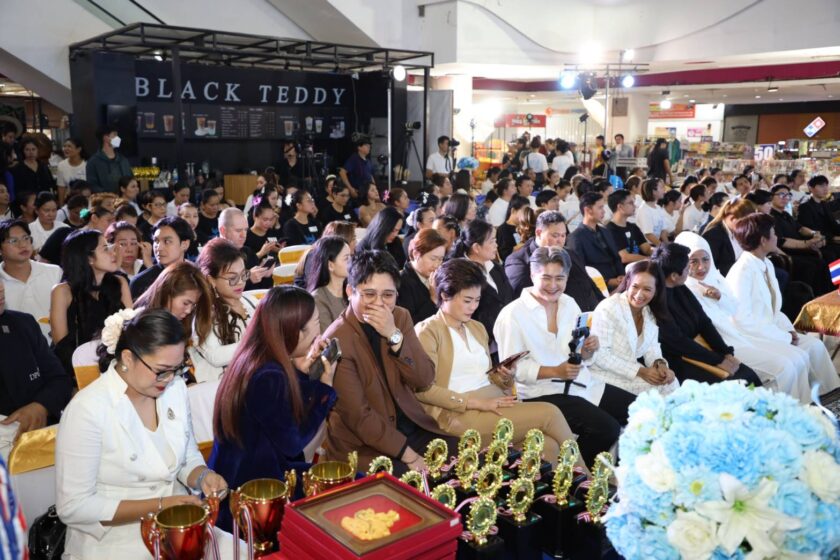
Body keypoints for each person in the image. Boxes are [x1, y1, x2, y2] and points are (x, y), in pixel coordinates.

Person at [55, 308, 229, 558]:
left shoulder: (174, 389)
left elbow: (186, 457)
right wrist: (159, 506)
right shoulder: (88, 409)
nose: (169, 378)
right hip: (116, 540)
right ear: (128, 358)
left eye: (177, 369)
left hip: (178, 526)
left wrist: (203, 476)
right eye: (161, 370)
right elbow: (74, 506)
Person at [415, 258, 577, 463]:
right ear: (445, 295)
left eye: (477, 300)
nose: (473, 307)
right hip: (457, 414)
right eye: (467, 300)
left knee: (548, 445)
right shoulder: (427, 331)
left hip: (492, 402)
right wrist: (475, 403)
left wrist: (506, 377)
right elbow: (423, 390)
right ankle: (592, 480)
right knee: (550, 413)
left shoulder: (476, 328)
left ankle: (571, 483)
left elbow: (491, 380)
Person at [494, 247, 636, 467]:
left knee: (636, 409)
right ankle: (574, 476)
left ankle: (616, 471)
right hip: (541, 392)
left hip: (580, 383)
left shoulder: (569, 303)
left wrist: (588, 349)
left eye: (559, 278)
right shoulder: (512, 315)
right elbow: (513, 369)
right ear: (532, 275)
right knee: (606, 429)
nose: (553, 285)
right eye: (546, 278)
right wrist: (555, 371)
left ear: (567, 277)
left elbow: (578, 352)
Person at [211, 286, 337, 529]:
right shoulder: (268, 376)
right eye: (316, 322)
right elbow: (293, 443)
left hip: (252, 474)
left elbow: (279, 413)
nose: (319, 330)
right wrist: (324, 389)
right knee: (346, 489)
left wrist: (301, 372)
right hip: (253, 492)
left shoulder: (258, 358)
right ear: (295, 331)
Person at [323, 250, 458, 475]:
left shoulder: (400, 317)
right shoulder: (337, 340)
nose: (379, 304)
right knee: (415, 484)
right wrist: (410, 456)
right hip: (364, 445)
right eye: (369, 294)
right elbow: (360, 417)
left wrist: (394, 336)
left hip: (411, 427)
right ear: (350, 292)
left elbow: (424, 378)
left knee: (466, 458)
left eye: (387, 295)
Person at [674, 232, 811, 403]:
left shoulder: (715, 278)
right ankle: (780, 409)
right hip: (724, 344)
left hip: (740, 335)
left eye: (705, 259)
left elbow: (734, 308)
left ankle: (803, 406)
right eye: (693, 261)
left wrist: (720, 297)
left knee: (798, 357)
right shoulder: (684, 290)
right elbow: (707, 326)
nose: (701, 267)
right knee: (785, 365)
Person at [726, 213, 840, 396]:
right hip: (752, 337)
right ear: (763, 240)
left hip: (771, 331)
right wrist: (783, 336)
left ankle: (830, 396)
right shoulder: (741, 272)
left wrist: (789, 330)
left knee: (815, 346)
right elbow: (743, 321)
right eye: (774, 233)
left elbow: (774, 310)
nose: (777, 237)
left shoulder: (766, 264)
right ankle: (800, 404)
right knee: (797, 357)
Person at [650, 242, 763, 386]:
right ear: (673, 276)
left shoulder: (680, 287)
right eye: (687, 268)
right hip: (677, 358)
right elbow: (678, 341)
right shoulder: (657, 300)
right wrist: (718, 360)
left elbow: (704, 322)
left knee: (748, 375)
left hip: (698, 349)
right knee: (735, 384)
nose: (689, 271)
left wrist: (725, 352)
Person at [0, 277, 71, 456]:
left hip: (41, 440)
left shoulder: (23, 323)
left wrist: (40, 406)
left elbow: (59, 379)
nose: (1, 289)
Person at [589, 260, 680, 396]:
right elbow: (600, 355)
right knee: (663, 389)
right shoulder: (608, 308)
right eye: (635, 287)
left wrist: (660, 365)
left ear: (656, 291)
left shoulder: (648, 311)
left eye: (647, 289)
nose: (639, 295)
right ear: (627, 283)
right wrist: (641, 371)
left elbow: (651, 348)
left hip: (631, 371)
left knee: (670, 382)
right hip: (603, 374)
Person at [50, 229, 133, 375]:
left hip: (117, 365)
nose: (113, 253)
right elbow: (62, 346)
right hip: (76, 370)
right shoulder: (62, 291)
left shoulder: (119, 283)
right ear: (89, 258)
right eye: (105, 249)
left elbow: (131, 326)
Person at [505, 210, 603, 311]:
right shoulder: (518, 261)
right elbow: (525, 301)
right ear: (539, 233)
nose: (560, 241)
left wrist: (603, 306)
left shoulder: (569, 253)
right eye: (555, 235)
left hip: (591, 313)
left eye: (563, 235)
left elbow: (590, 285)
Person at [191, 239, 255, 383]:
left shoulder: (250, 301)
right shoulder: (205, 312)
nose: (240, 282)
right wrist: (258, 341)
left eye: (244, 274)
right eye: (232, 278)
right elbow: (216, 357)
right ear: (211, 280)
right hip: (221, 386)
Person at [134, 262, 215, 374]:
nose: (189, 311)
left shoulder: (182, 323)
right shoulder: (140, 324)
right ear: (167, 292)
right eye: (186, 303)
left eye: (193, 305)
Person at [450, 219, 512, 352]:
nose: (496, 245)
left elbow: (509, 296)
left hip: (506, 335)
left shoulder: (495, 267)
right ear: (477, 247)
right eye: (492, 241)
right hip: (479, 341)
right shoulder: (460, 273)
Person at [0, 219, 63, 341]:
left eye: (26, 238)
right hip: (15, 347)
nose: (23, 245)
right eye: (13, 241)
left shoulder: (54, 272)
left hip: (56, 345)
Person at [568, 191, 624, 289]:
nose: (604, 211)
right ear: (588, 210)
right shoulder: (575, 237)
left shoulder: (605, 231)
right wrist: (608, 282)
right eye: (600, 207)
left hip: (618, 281)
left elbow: (617, 258)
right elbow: (580, 270)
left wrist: (622, 276)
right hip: (597, 287)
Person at [130, 217, 194, 300]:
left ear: (184, 244)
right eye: (156, 241)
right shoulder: (141, 282)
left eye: (167, 241)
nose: (159, 248)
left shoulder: (196, 277)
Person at [38, 204, 115, 266]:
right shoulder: (63, 233)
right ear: (94, 218)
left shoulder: (107, 245)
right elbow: (43, 261)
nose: (112, 225)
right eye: (109, 220)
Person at [397, 228, 447, 325]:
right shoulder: (402, 282)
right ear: (416, 254)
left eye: (441, 259)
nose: (437, 265)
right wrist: (433, 299)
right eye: (433, 259)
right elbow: (410, 324)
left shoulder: (437, 277)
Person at [218, 208, 274, 290]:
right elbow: (219, 286)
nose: (243, 235)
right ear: (223, 231)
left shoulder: (247, 252)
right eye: (238, 230)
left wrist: (264, 275)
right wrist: (248, 277)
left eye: (245, 230)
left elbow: (262, 288)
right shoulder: (213, 254)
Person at [306, 236, 352, 333]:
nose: (352, 262)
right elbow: (329, 337)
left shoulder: (353, 289)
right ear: (330, 265)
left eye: (351, 256)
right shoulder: (318, 299)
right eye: (346, 258)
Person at [701, 198, 755, 276]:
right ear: (732, 219)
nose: (747, 227)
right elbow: (710, 268)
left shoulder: (737, 231)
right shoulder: (713, 235)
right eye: (745, 223)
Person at [606, 190, 652, 264]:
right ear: (620, 207)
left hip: (641, 265)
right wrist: (648, 259)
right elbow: (624, 257)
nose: (635, 206)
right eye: (631, 203)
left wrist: (659, 253)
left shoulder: (633, 226)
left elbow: (646, 249)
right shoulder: (610, 229)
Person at [85, 125, 132, 193]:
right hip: (105, 198)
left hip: (125, 197)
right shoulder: (93, 162)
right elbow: (92, 185)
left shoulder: (123, 160)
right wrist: (108, 195)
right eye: (114, 135)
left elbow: (130, 180)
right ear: (106, 138)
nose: (118, 138)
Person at [496, 195, 531, 262]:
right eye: (524, 211)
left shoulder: (526, 226)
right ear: (513, 210)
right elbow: (504, 255)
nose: (527, 214)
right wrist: (524, 244)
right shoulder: (503, 229)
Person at [636, 178, 669, 246]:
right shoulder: (644, 210)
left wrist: (668, 245)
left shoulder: (658, 208)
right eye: (661, 187)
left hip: (657, 244)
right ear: (653, 191)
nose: (664, 189)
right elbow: (649, 235)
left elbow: (663, 230)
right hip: (647, 246)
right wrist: (662, 247)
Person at [56, 137, 86, 204]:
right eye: (64, 146)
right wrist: (61, 205)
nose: (66, 149)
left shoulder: (87, 164)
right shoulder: (61, 165)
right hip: (70, 201)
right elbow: (61, 187)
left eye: (69, 146)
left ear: (79, 149)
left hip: (86, 200)